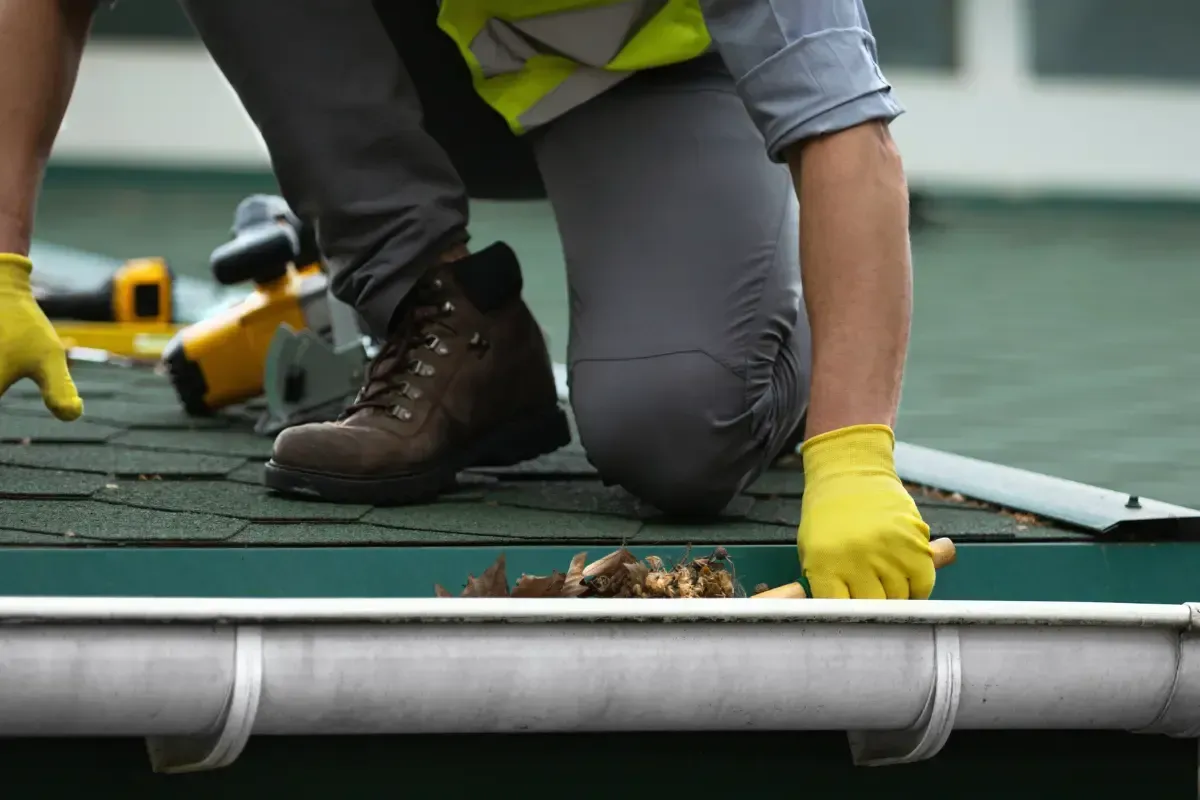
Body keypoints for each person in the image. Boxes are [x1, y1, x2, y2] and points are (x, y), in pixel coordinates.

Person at [0, 0, 934, 601]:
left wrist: (851, 449)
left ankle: (778, 338)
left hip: (641, 83)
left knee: (678, 436)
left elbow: (849, 135)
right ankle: (435, 311)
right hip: (423, 52)